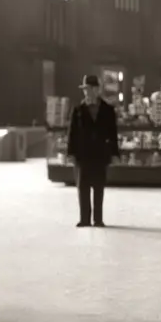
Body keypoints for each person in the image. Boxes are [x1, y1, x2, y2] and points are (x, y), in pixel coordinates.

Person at [67, 75, 120, 227]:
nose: (86, 93)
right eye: (85, 90)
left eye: (89, 89)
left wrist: (115, 153)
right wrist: (70, 153)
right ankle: (84, 219)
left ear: (97, 90)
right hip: (82, 155)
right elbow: (72, 133)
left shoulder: (108, 110)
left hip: (100, 154)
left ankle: (98, 219)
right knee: (83, 187)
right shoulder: (78, 110)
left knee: (98, 187)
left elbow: (113, 134)